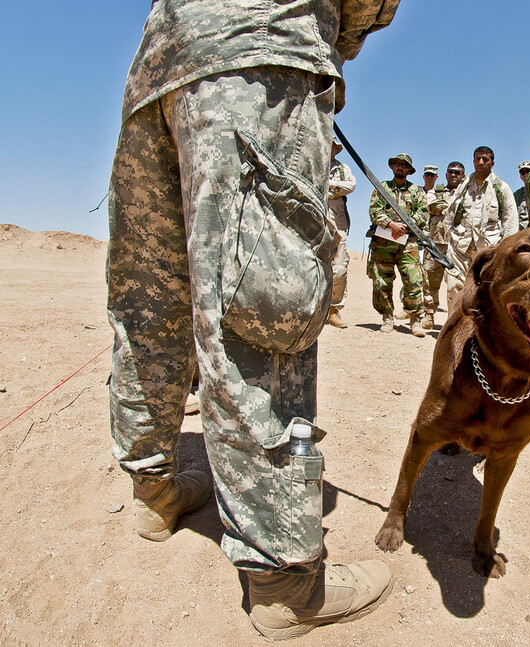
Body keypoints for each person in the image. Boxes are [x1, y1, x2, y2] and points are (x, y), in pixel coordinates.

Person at [106, 1, 399, 640]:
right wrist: (332, 38)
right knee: (262, 304)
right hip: (260, 55)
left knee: (153, 293)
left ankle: (154, 488)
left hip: (163, 64)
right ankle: (284, 581)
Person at [444, 146, 518, 304]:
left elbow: (510, 221)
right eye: (477, 158)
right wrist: (449, 237)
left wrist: (505, 250)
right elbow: (450, 214)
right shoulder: (463, 187)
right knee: (453, 288)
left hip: (487, 250)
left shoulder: (501, 188)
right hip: (459, 248)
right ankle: (455, 325)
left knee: (484, 291)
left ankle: (478, 328)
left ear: (492, 163)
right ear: (473, 161)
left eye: (485, 159)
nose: (481, 162)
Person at [368, 153, 429, 336]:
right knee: (381, 282)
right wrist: (390, 224)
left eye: (404, 165)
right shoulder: (382, 188)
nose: (400, 167)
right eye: (397, 164)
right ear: (392, 167)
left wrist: (404, 225)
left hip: (407, 245)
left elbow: (423, 215)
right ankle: (387, 318)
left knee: (414, 281)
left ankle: (415, 320)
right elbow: (374, 211)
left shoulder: (417, 191)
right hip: (383, 243)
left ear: (409, 170)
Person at [421, 161, 465, 329]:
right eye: (451, 171)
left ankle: (453, 321)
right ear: (446, 174)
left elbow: (468, 210)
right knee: (430, 281)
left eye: (458, 172)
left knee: (457, 284)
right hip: (436, 243)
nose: (454, 174)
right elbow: (432, 205)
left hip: (458, 244)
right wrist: (456, 210)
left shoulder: (468, 192)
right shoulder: (435, 191)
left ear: (462, 175)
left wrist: (444, 210)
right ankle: (429, 315)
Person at [326, 140, 357, 329]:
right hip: (312, 219)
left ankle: (333, 310)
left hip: (337, 223)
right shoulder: (311, 161)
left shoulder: (343, 169)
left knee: (339, 269)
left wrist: (327, 187)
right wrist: (336, 189)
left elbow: (350, 186)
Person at [514, 161, 530, 231]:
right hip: (520, 232)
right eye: (522, 173)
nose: (525, 175)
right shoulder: (517, 195)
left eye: (528, 171)